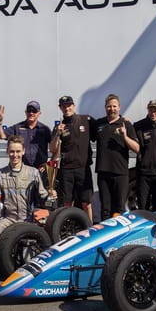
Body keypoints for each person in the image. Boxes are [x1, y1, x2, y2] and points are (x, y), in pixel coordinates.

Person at [0, 135, 53, 275]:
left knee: (29, 257)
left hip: (27, 219)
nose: (15, 155)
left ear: (23, 151)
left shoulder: (33, 172)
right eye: (12, 151)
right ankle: (1, 264)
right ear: (7, 151)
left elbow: (42, 198)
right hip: (8, 218)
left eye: (18, 151)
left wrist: (51, 196)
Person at [49, 95, 95, 223]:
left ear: (73, 106)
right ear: (60, 108)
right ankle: (67, 228)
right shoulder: (59, 127)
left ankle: (90, 228)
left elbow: (103, 127)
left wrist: (122, 120)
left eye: (69, 105)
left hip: (83, 168)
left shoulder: (86, 120)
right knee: (67, 204)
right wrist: (57, 134)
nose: (66, 108)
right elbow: (52, 149)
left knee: (86, 203)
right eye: (63, 106)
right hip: (67, 170)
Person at [94, 94, 140, 221]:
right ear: (105, 107)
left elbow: (137, 148)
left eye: (114, 106)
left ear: (119, 107)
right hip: (103, 172)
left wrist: (125, 137)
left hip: (120, 173)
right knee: (105, 209)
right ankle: (105, 236)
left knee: (119, 208)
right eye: (109, 106)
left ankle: (119, 238)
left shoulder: (126, 124)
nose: (112, 109)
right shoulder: (99, 124)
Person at [0, 101, 52, 171]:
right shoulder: (17, 127)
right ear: (25, 112)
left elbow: (55, 148)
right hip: (22, 170)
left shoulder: (44, 129)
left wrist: (48, 164)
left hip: (40, 170)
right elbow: (0, 136)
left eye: (34, 111)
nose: (31, 113)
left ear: (39, 113)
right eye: (29, 110)